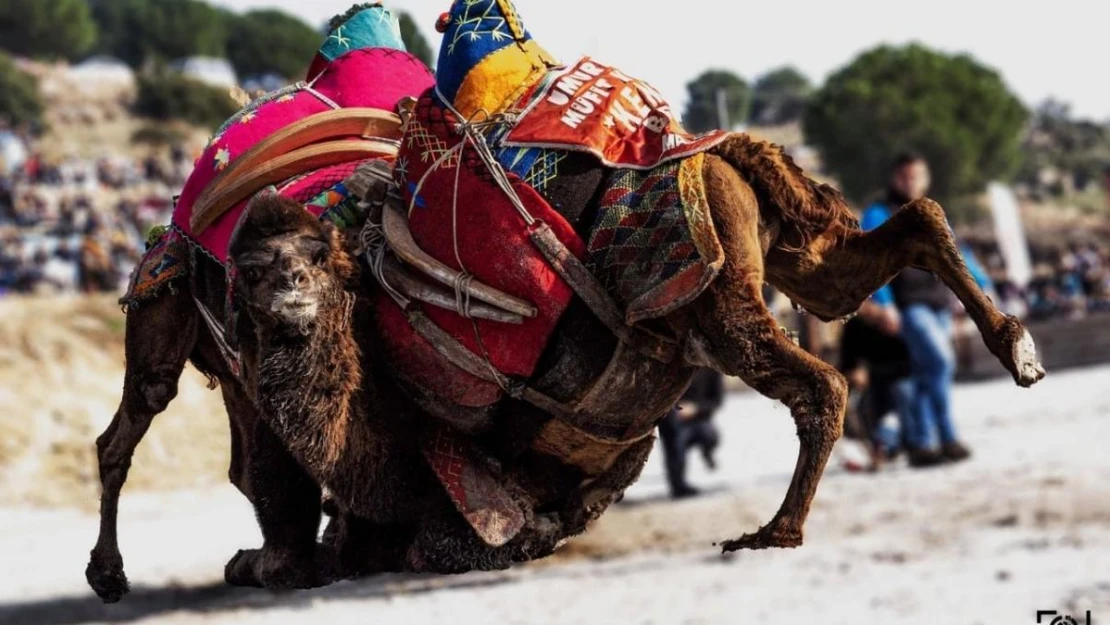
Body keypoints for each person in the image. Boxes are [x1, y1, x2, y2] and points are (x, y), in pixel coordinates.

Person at [861, 153, 991, 468]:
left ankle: (921, 444)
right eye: (905, 177)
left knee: (925, 373)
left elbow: (956, 254)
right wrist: (885, 305)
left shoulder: (932, 213)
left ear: (926, 178)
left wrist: (979, 286)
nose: (911, 183)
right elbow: (873, 263)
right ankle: (947, 436)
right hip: (908, 306)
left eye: (917, 176)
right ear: (895, 178)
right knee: (940, 361)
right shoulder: (879, 214)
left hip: (938, 304)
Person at [658, 369, 724, 498]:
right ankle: (678, 485)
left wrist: (696, 409)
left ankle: (707, 452)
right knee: (675, 439)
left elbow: (716, 401)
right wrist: (675, 410)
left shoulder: (711, 369)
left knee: (710, 436)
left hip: (699, 418)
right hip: (673, 419)